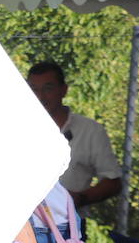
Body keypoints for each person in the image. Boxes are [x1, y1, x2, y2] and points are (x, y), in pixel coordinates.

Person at [27, 61, 122, 211]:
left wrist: (78, 198)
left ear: (63, 90)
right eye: (33, 89)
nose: (40, 96)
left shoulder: (90, 130)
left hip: (69, 227)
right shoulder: (14, 129)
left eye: (48, 88)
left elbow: (113, 182)